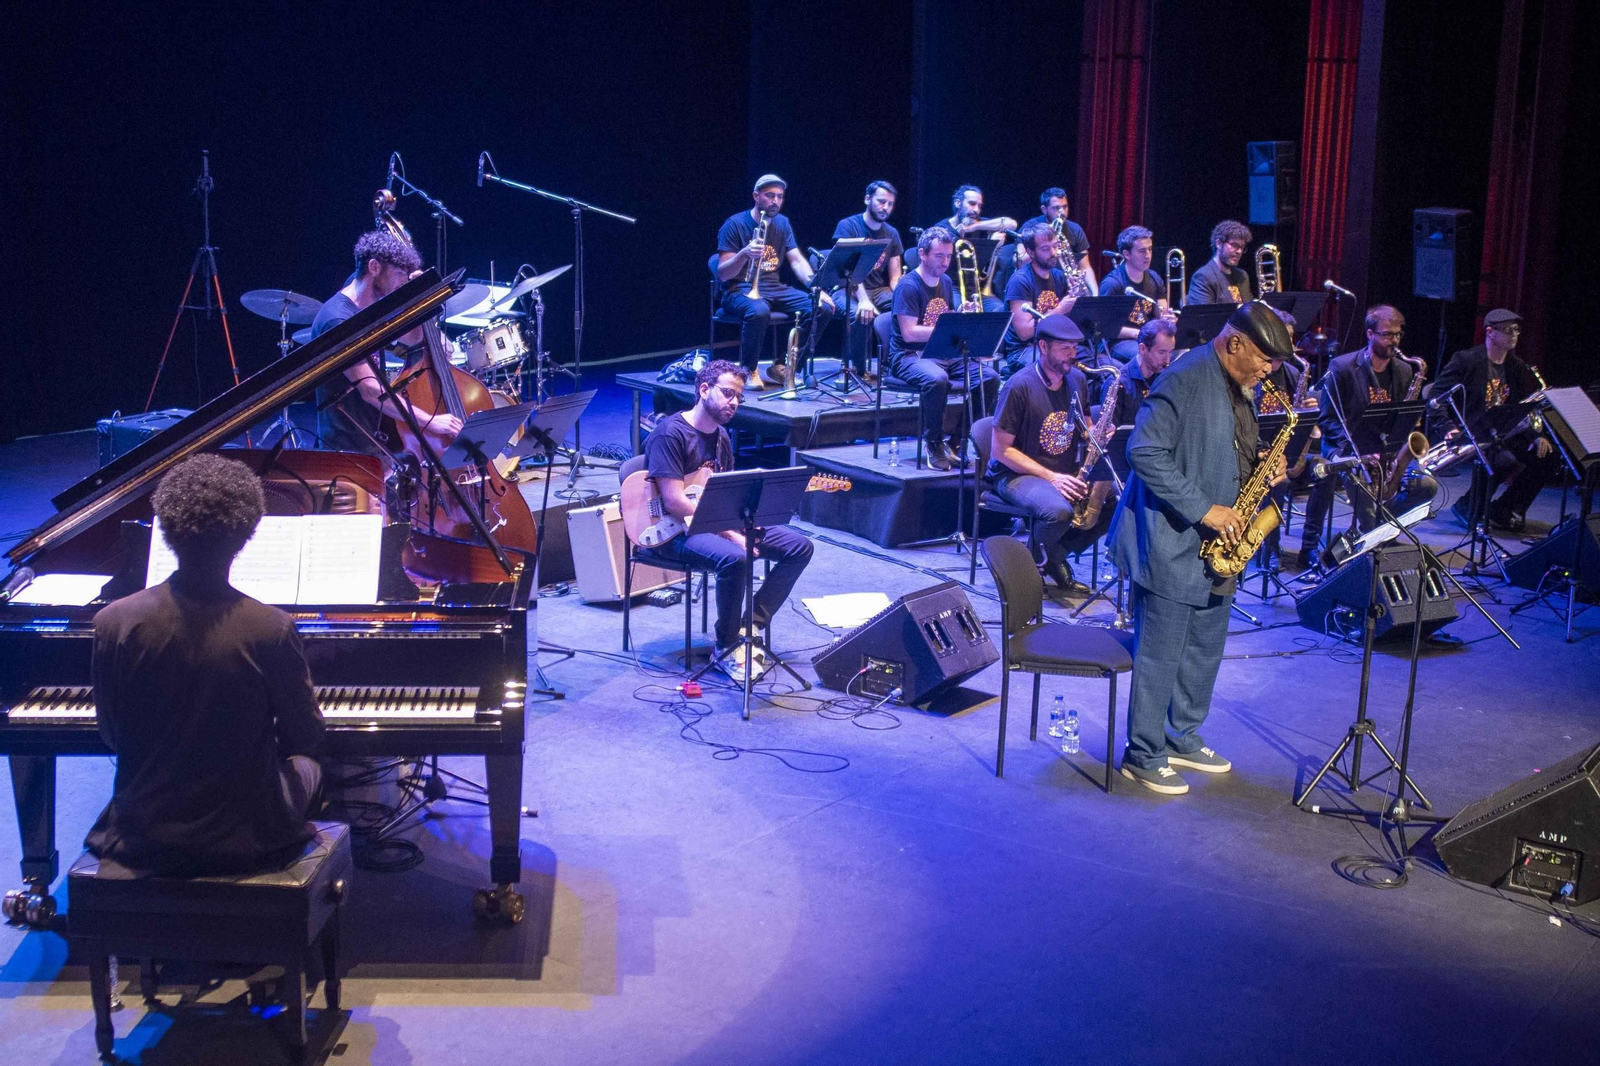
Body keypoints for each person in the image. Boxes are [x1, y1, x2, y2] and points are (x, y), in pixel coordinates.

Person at [85, 454, 324, 876]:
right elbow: (304, 735)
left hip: (145, 827)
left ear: (166, 528)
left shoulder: (113, 621)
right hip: (246, 833)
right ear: (247, 534)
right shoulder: (271, 626)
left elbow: (111, 736)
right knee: (307, 766)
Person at [1107, 302, 1293, 794]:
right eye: (1263, 359)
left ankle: (1181, 735)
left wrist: (1261, 466)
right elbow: (1142, 450)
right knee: (1162, 650)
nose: (1268, 372)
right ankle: (1143, 752)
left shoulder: (1241, 385)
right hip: (1171, 539)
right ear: (1235, 343)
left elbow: (1226, 445)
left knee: (1205, 645)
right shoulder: (1184, 377)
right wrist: (1204, 509)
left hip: (1221, 544)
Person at [643, 359, 814, 679]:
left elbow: (725, 496)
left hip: (710, 523)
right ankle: (726, 644)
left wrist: (750, 519)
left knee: (799, 547)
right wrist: (735, 535)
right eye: (727, 393)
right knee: (736, 557)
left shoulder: (721, 437)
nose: (734, 401)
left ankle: (751, 625)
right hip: (671, 532)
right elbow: (675, 502)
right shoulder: (670, 433)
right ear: (704, 389)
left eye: (738, 396)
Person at [1299, 304, 1437, 565]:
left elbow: (1402, 419)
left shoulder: (1406, 370)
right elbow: (1328, 420)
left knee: (1426, 485)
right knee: (1357, 484)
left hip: (1386, 447)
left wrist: (1397, 449)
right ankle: (1318, 543)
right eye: (1387, 334)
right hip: (1346, 444)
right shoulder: (1342, 368)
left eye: (1397, 335)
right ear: (1370, 333)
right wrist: (1357, 451)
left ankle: (1380, 528)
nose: (1394, 341)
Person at [311, 230, 463, 456]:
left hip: (375, 440)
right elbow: (371, 391)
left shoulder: (373, 307)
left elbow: (414, 338)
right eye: (400, 272)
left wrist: (418, 297)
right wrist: (430, 421)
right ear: (374, 268)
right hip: (347, 448)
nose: (403, 279)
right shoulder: (339, 320)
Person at [988, 313, 1095, 593]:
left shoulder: (1078, 380)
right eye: (1064, 349)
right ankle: (1029, 566)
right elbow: (1001, 450)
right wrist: (1052, 478)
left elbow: (1085, 423)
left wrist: (1097, 434)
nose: (1071, 355)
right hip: (1014, 474)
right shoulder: (1019, 386)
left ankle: (1054, 554)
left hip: (1061, 470)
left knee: (1110, 504)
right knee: (1058, 511)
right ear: (1043, 347)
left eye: (1074, 348)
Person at [1432, 308, 1559, 532]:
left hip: (1505, 431)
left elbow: (1523, 407)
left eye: (1517, 330)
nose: (1514, 335)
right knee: (1502, 458)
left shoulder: (1516, 366)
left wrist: (1537, 436)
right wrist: (1447, 428)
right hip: (1473, 431)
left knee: (1547, 457)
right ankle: (1468, 506)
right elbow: (1436, 397)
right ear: (1490, 332)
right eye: (1508, 330)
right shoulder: (1466, 360)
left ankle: (1506, 508)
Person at [887, 229, 1001, 471]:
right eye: (939, 256)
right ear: (922, 254)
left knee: (989, 377)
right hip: (908, 356)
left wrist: (960, 317)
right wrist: (948, 326)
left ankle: (959, 440)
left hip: (942, 352)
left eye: (949, 256)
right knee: (937, 379)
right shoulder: (908, 286)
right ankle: (934, 443)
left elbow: (945, 320)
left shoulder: (947, 282)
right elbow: (909, 333)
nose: (945, 262)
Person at [715, 174, 835, 389]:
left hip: (773, 287)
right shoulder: (734, 224)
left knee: (822, 308)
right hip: (738, 288)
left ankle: (784, 366)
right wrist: (743, 254)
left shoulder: (782, 223)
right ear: (756, 196)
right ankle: (748, 370)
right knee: (758, 310)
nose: (775, 201)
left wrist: (815, 288)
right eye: (770, 196)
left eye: (780, 197)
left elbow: (797, 259)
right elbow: (723, 273)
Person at [830, 180, 904, 381]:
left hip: (879, 290)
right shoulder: (848, 226)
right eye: (881, 202)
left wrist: (901, 295)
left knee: (905, 309)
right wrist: (863, 299)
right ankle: (857, 370)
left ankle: (896, 365)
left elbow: (895, 275)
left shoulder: (892, 233)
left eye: (890, 204)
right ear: (867, 199)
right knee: (861, 313)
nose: (885, 207)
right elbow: (849, 271)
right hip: (846, 289)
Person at [999, 222, 1080, 377]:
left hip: (1056, 344)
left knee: (1093, 364)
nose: (1053, 253)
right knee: (1062, 366)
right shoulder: (1020, 280)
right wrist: (1061, 308)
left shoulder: (1058, 276)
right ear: (1031, 252)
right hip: (1025, 350)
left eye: (1055, 246)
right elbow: (1024, 332)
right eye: (1045, 249)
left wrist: (1078, 299)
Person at [929, 184, 1019, 311]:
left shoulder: (980, 223)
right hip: (951, 287)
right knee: (964, 312)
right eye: (972, 204)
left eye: (979, 206)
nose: (976, 210)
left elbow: (1012, 224)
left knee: (1001, 312)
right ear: (958, 203)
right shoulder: (941, 229)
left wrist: (976, 227)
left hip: (979, 289)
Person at [1098, 225, 1173, 364]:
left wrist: (1168, 320)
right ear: (1127, 254)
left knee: (1183, 353)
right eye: (1142, 251)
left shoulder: (1154, 279)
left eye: (1150, 249)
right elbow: (1105, 327)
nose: (1148, 255)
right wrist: (1138, 334)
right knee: (1150, 355)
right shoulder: (1112, 284)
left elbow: (1161, 311)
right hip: (1118, 342)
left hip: (1147, 339)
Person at [1021, 187, 1097, 296]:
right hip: (1037, 282)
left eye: (1065, 207)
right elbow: (1019, 261)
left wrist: (1095, 294)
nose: (1062, 212)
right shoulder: (1030, 227)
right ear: (1044, 209)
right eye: (1056, 208)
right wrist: (1050, 234)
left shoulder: (1075, 229)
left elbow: (1085, 267)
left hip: (1065, 283)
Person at [1109, 318, 1176, 427]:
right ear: (1143, 349)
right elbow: (1110, 435)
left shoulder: (1167, 378)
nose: (1167, 360)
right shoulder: (1118, 384)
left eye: (1170, 352)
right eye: (1162, 352)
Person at [1184, 220, 1254, 306]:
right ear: (1219, 244)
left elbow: (1249, 310)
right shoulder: (1203, 277)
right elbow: (1204, 317)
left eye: (1242, 247)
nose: (1239, 251)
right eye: (1234, 245)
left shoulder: (1243, 276)